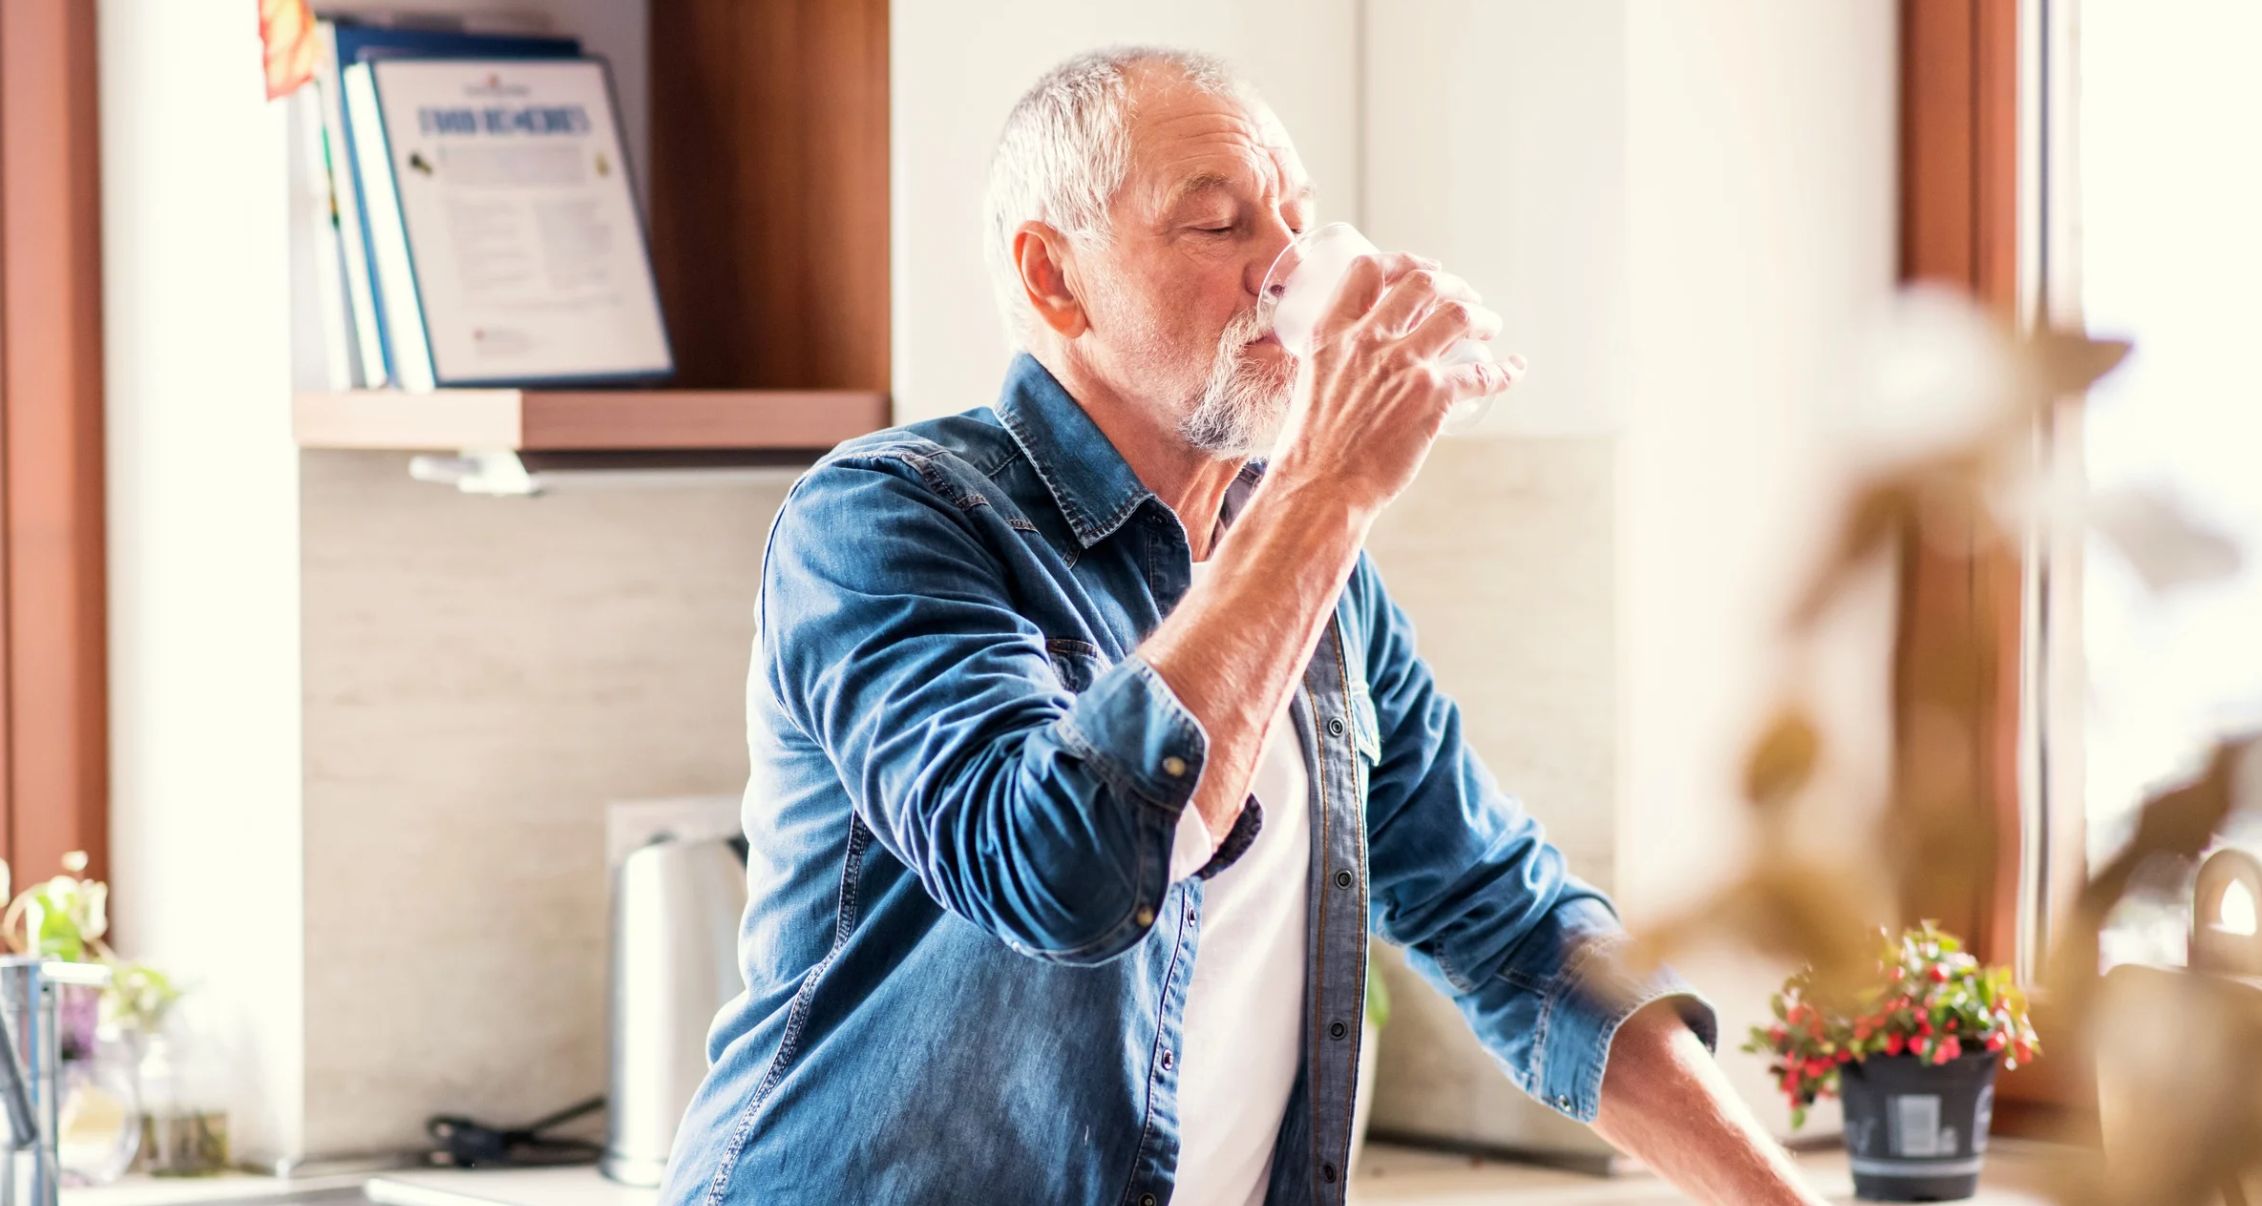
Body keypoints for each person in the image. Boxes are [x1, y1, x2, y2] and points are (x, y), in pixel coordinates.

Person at [662, 45, 1823, 1206]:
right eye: (1218, 226)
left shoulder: (1315, 570)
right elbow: (1058, 876)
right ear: (1056, 279)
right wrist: (1330, 486)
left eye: (1297, 222)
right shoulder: (889, 516)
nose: (1285, 271)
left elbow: (1514, 930)